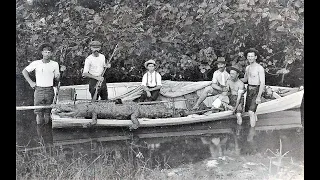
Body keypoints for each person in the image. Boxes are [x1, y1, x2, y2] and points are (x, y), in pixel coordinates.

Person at [22, 43, 60, 124]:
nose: (47, 54)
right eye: (45, 52)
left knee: (47, 112)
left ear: (52, 53)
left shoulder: (55, 64)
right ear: (42, 53)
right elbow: (24, 71)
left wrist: (59, 75)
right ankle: (39, 134)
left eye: (49, 52)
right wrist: (31, 82)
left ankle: (46, 133)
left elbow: (57, 78)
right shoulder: (36, 63)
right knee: (39, 113)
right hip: (39, 90)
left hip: (50, 90)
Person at [241, 48, 265, 127]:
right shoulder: (248, 68)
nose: (250, 58)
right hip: (249, 89)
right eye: (248, 56)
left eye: (252, 56)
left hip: (257, 90)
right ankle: (253, 130)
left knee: (251, 112)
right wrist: (234, 78)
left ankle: (251, 135)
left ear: (255, 57)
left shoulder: (259, 68)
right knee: (251, 112)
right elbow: (245, 79)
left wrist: (258, 96)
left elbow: (262, 83)